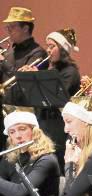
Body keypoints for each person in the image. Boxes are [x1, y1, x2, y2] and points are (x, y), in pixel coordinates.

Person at [25, 28, 81, 173]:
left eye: (52, 46)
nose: (48, 50)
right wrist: (28, 80)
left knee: (57, 165)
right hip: (44, 123)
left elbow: (57, 99)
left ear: (62, 49)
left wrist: (38, 78)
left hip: (59, 127)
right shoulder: (48, 70)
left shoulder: (70, 71)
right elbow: (36, 99)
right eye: (47, 46)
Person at [0, 111, 60, 196]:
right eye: (12, 132)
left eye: (22, 129)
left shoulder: (46, 159)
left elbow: (19, 193)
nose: (18, 136)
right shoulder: (12, 157)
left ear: (35, 131)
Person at [0, 7, 48, 151]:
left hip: (23, 113)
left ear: (25, 28)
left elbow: (23, 81)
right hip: (4, 109)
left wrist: (3, 62)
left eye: (12, 26)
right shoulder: (9, 52)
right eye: (7, 27)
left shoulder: (38, 53)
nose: (8, 30)